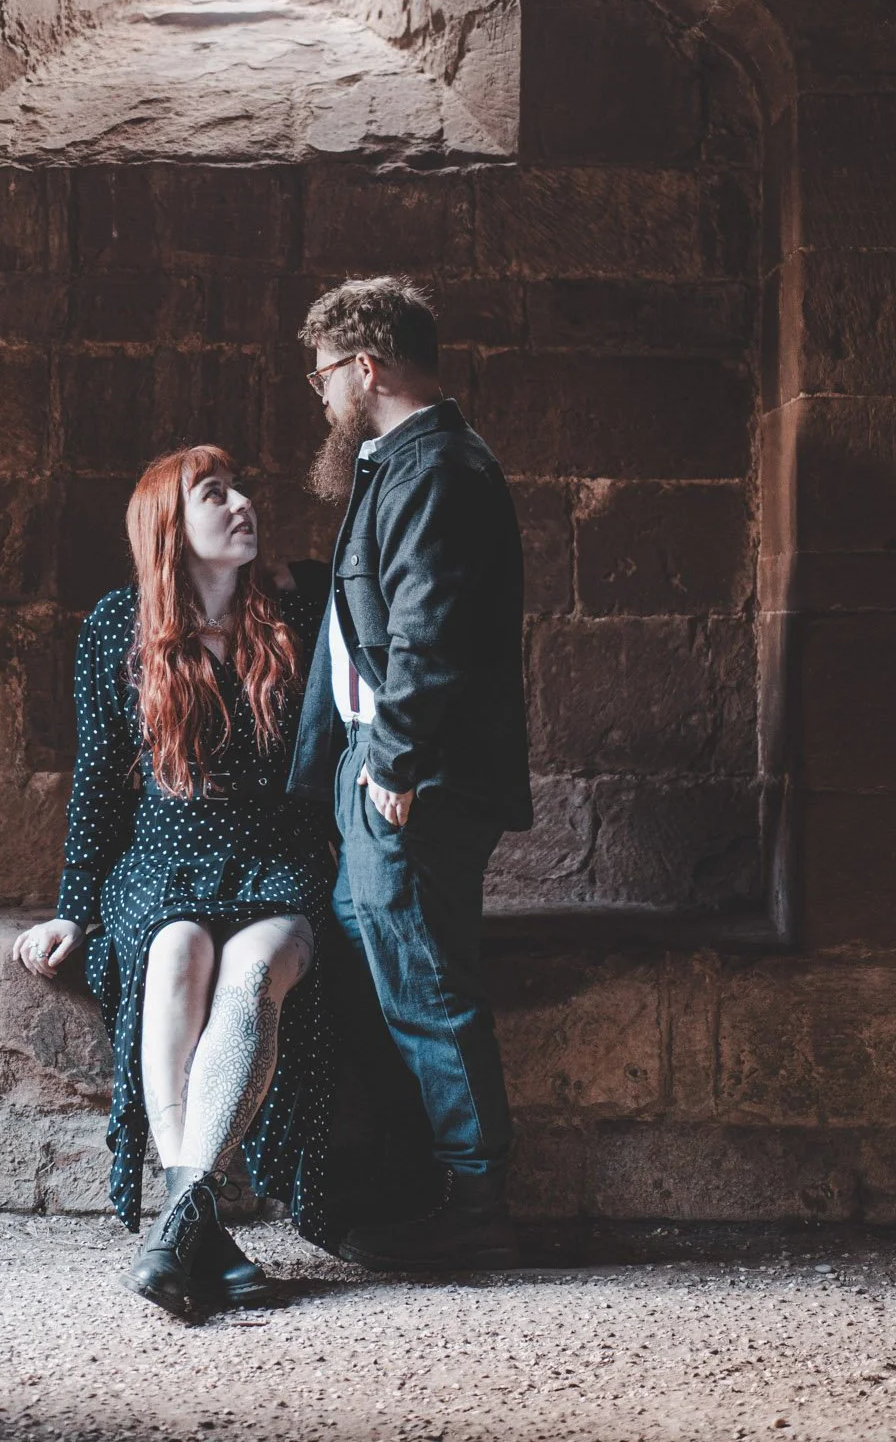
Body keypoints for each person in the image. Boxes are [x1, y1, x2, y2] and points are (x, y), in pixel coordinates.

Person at [15, 446, 333, 1320]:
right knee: (178, 949)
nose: (241, 503)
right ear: (169, 524)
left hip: (277, 857)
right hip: (160, 858)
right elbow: (96, 779)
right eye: (214, 493)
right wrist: (73, 910)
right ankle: (198, 1227)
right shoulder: (117, 627)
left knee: (256, 965)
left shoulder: (296, 612)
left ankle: (179, 1219)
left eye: (241, 487)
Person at [289, 276, 532, 1273]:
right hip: (379, 774)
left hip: (409, 780)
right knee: (371, 958)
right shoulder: (402, 463)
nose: (322, 397)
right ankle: (416, 1179)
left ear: (368, 365)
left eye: (324, 376)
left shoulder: (435, 467)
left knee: (427, 982)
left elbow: (431, 630)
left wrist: (390, 758)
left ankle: (476, 1204)